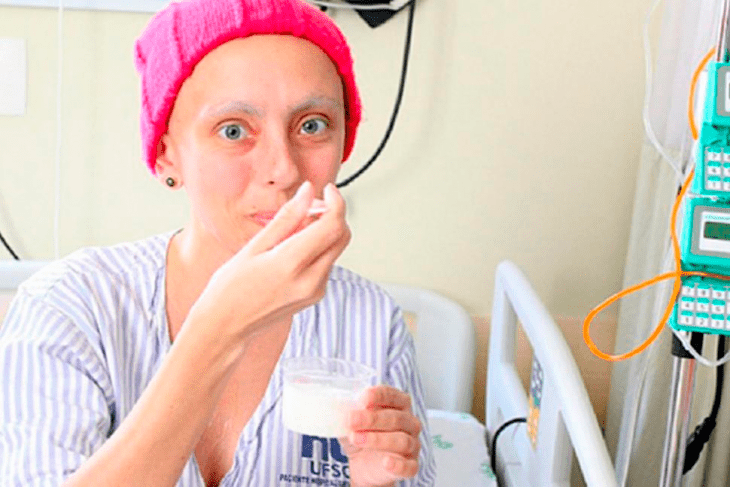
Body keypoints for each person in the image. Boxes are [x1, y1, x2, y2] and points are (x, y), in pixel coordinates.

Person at [0, 0, 436, 486]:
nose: (285, 170)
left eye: (312, 125)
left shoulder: (371, 324)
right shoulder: (69, 308)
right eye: (234, 131)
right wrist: (219, 329)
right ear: (167, 156)